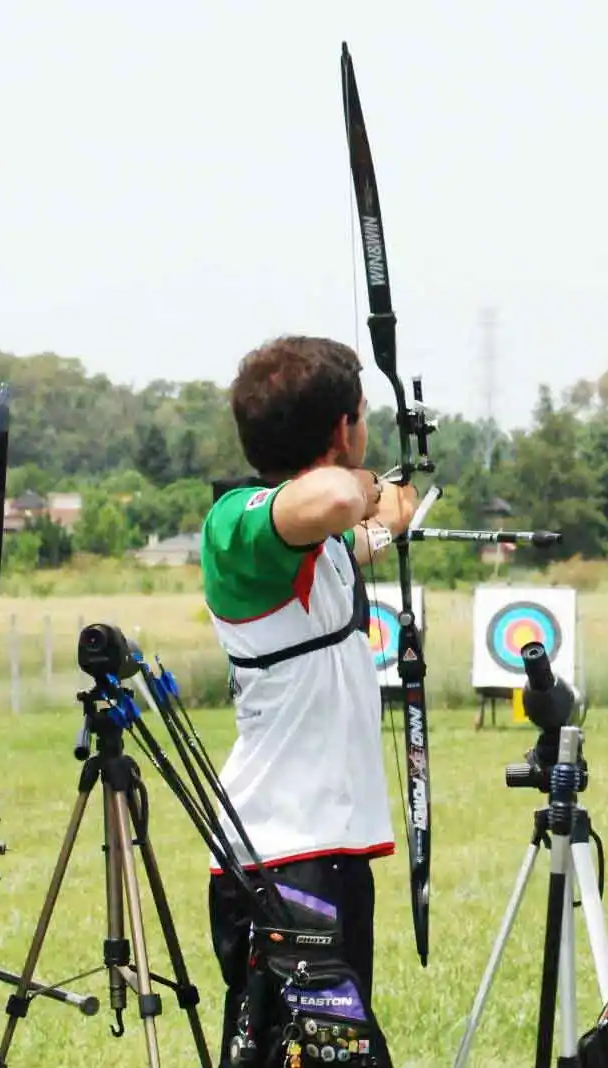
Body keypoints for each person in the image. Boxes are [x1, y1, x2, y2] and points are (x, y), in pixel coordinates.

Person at [200, 335, 418, 1064]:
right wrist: (368, 484)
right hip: (282, 855)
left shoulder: (309, 547)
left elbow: (363, 532)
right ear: (341, 430)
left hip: (322, 851)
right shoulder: (237, 525)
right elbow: (337, 498)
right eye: (361, 416)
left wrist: (398, 503)